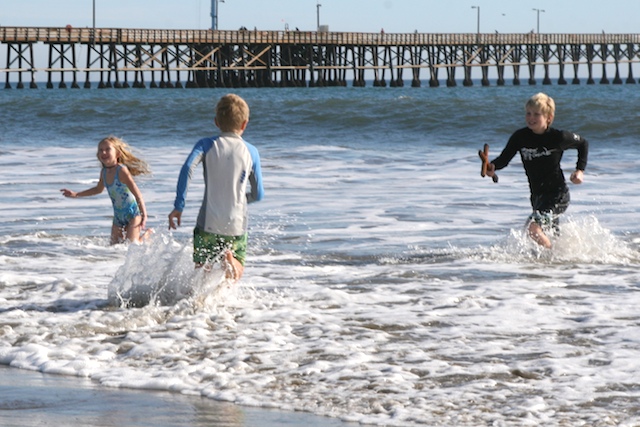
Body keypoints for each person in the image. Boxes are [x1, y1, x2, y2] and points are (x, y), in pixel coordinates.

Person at [168, 94, 264, 280]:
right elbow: (258, 194)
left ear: (216, 122)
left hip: (208, 221)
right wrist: (240, 199)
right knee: (235, 275)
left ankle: (202, 295)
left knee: (202, 272)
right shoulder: (251, 152)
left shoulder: (206, 144)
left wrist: (179, 206)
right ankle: (230, 260)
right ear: (244, 124)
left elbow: (187, 168)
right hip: (236, 222)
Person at [485, 92, 589, 249]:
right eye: (528, 113)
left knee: (533, 229)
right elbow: (504, 159)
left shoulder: (558, 137)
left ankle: (553, 256)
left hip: (558, 195)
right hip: (537, 196)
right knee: (549, 234)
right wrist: (492, 166)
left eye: (536, 114)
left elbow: (583, 143)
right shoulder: (520, 137)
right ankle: (559, 259)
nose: (530, 118)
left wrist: (580, 170)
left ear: (548, 117)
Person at [60, 136, 151, 245]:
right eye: (100, 150)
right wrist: (76, 194)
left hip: (133, 214)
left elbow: (138, 194)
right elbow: (98, 189)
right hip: (118, 216)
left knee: (132, 245)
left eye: (108, 149)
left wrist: (144, 215)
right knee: (114, 247)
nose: (103, 152)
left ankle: (146, 235)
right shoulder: (104, 172)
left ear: (117, 153)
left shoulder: (122, 171)